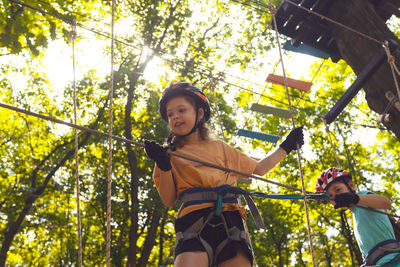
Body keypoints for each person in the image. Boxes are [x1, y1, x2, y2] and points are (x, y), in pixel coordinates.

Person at [144, 81, 304, 267]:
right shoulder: (168, 154)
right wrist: (163, 166)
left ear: (200, 113)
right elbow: (168, 199)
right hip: (193, 221)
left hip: (230, 222)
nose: (175, 117)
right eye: (170, 114)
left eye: (181, 110)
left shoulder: (220, 148)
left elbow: (259, 168)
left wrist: (286, 147)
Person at [315, 167, 400, 266]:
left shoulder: (362, 197)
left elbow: (386, 202)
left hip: (394, 260)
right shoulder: (356, 216)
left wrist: (355, 198)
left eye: (338, 190)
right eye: (330, 196)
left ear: (351, 185)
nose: (336, 197)